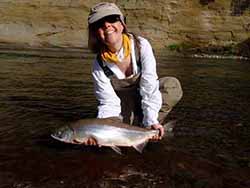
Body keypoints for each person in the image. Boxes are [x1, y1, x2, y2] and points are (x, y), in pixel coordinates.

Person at [86, 2, 183, 145]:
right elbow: (108, 102)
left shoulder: (142, 45)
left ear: (122, 24)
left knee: (171, 85)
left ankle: (149, 127)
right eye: (100, 24)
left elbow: (149, 86)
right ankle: (137, 129)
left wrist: (151, 121)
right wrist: (103, 130)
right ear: (95, 32)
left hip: (142, 93)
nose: (107, 25)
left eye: (112, 19)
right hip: (122, 102)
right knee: (114, 131)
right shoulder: (98, 65)